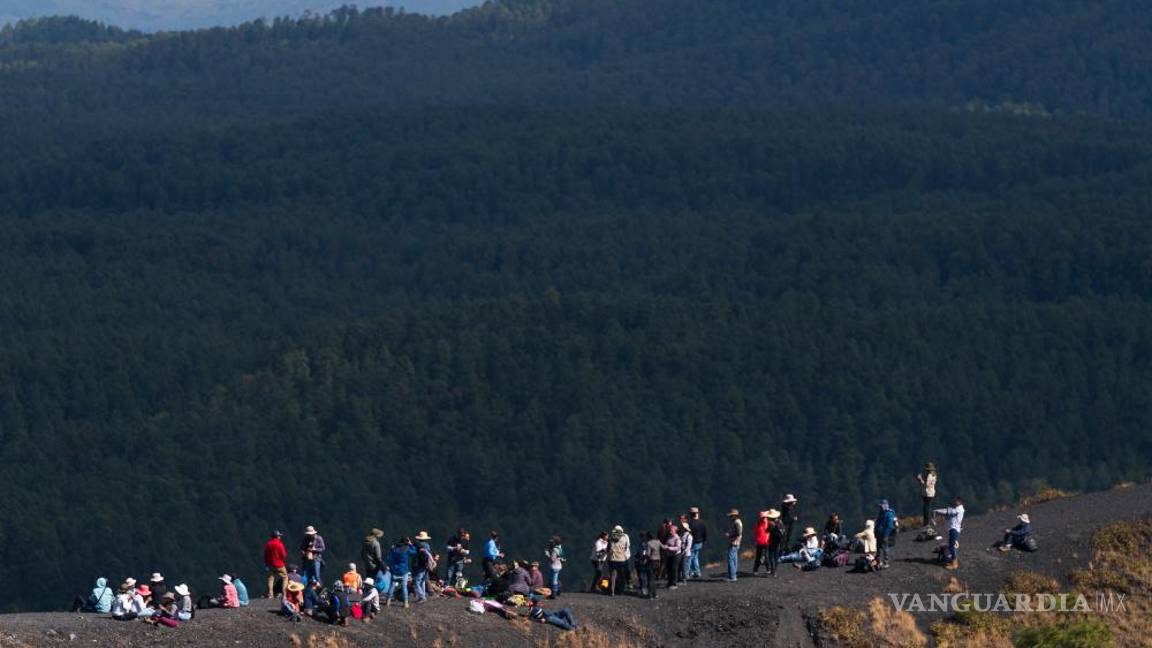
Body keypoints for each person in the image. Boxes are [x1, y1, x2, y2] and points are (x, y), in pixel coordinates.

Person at [386, 537, 417, 608]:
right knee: (404, 587)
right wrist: (411, 545)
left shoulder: (394, 549)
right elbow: (415, 552)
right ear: (406, 543)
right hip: (403, 571)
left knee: (392, 586)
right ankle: (405, 603)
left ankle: (388, 601)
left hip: (395, 570)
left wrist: (391, 550)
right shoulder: (407, 549)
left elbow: (388, 559)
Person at [935, 497, 965, 570]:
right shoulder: (959, 509)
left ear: (960, 502)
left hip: (954, 529)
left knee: (952, 546)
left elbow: (950, 512)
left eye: (956, 501)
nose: (955, 502)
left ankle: (954, 563)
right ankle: (952, 561)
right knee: (952, 545)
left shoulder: (959, 509)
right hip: (954, 529)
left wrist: (937, 511)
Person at [607, 525, 631, 595]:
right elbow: (627, 547)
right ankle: (621, 590)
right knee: (621, 575)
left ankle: (612, 591)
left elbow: (608, 548)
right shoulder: (625, 537)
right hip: (621, 559)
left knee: (613, 575)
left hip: (612, 559)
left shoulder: (611, 537)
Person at [264, 530, 288, 598]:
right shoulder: (280, 544)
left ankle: (270, 594)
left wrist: (266, 564)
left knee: (270, 578)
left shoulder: (268, 544)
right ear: (277, 536)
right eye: (279, 536)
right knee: (285, 577)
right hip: (279, 565)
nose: (280, 537)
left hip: (270, 565)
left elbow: (265, 555)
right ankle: (284, 593)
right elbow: (284, 555)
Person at [413, 531, 435, 603]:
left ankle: (422, 597)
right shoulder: (427, 545)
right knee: (422, 581)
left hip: (421, 565)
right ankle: (423, 596)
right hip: (427, 565)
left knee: (417, 581)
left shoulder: (418, 545)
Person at [875, 500, 897, 569]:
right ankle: (878, 561)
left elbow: (890, 526)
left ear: (885, 505)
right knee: (878, 548)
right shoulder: (881, 512)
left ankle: (885, 562)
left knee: (885, 548)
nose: (880, 507)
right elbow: (878, 521)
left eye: (881, 506)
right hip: (878, 533)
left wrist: (885, 534)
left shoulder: (889, 513)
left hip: (884, 534)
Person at [687, 507, 707, 579]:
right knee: (695, 557)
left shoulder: (690, 523)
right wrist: (704, 541)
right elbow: (705, 533)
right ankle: (696, 572)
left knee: (689, 557)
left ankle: (688, 572)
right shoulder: (702, 522)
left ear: (691, 514)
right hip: (700, 542)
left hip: (693, 542)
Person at [660, 525, 682, 590]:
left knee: (674, 569)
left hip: (676, 555)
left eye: (671, 530)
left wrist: (669, 548)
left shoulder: (677, 538)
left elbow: (678, 548)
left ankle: (674, 583)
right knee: (669, 569)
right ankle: (669, 582)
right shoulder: (669, 537)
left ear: (675, 531)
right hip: (669, 555)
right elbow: (667, 543)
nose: (670, 532)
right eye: (670, 530)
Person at [917, 462, 938, 527]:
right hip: (931, 492)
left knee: (926, 508)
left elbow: (926, 484)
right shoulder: (934, 475)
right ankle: (927, 522)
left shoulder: (930, 475)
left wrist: (920, 479)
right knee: (927, 507)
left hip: (927, 493)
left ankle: (926, 523)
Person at [726, 508, 743, 582]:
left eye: (731, 516)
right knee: (734, 559)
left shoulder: (736, 522)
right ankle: (734, 574)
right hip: (736, 542)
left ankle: (732, 576)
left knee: (730, 559)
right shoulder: (738, 521)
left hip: (734, 542)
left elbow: (738, 533)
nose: (730, 517)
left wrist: (730, 535)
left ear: (734, 515)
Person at [766, 509, 785, 576]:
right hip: (778, 542)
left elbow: (767, 531)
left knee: (771, 556)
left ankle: (773, 570)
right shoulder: (780, 522)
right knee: (776, 556)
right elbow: (783, 532)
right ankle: (775, 571)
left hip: (772, 541)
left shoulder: (771, 523)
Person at [752, 511, 771, 575]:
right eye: (762, 517)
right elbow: (755, 533)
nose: (764, 518)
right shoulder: (758, 524)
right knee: (758, 557)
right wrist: (758, 540)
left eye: (764, 517)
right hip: (760, 543)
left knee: (766, 556)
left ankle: (768, 569)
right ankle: (755, 570)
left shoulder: (768, 523)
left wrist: (769, 540)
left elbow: (770, 532)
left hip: (767, 543)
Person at [678, 520, 693, 585]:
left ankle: (684, 580)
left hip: (685, 553)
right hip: (681, 552)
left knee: (684, 566)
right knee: (681, 566)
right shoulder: (682, 534)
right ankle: (681, 579)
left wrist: (684, 552)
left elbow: (689, 546)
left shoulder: (689, 536)